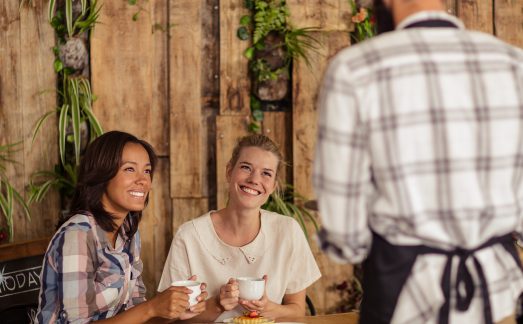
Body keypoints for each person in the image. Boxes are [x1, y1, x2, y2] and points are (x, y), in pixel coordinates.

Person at [313, 1, 523, 324]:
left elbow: (346, 234)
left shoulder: (357, 68)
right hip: (500, 297)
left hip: (404, 297)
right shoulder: (512, 63)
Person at [36, 131, 207, 323]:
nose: (143, 180)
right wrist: (152, 307)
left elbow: (135, 315)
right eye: (129, 169)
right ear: (102, 174)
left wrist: (172, 312)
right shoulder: (79, 235)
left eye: (147, 171)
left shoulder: (128, 232)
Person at [158, 134, 321, 322]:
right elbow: (172, 320)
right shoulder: (189, 236)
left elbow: (298, 311)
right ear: (229, 171)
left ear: (273, 186)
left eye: (266, 173)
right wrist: (217, 304)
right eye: (246, 167)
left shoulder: (288, 231)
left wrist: (269, 308)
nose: (254, 179)